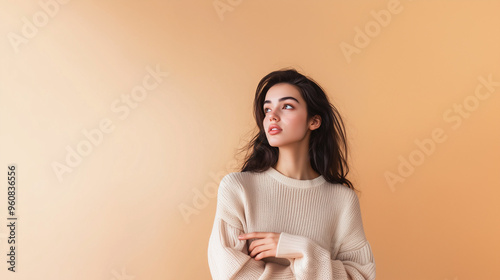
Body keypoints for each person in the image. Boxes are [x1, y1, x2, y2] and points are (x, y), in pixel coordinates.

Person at [207, 68, 376, 279]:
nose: (272, 117)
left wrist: (301, 248)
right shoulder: (238, 188)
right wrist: (313, 268)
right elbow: (229, 274)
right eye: (267, 109)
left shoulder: (342, 200)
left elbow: (361, 275)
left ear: (314, 121)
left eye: (286, 106)